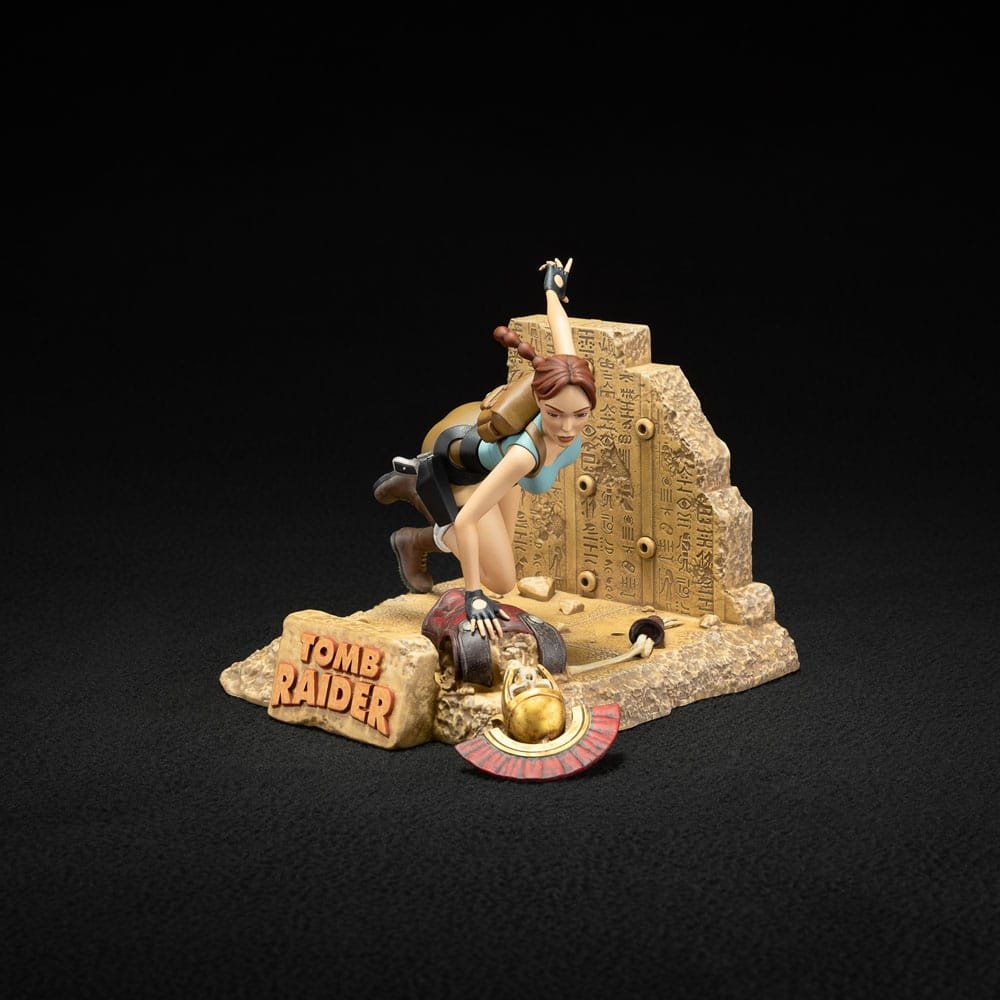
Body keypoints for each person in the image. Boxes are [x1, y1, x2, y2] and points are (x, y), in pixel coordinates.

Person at [373, 258, 596, 640]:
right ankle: (420, 484)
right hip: (457, 459)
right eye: (554, 415)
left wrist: (552, 288)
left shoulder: (569, 377)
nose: (567, 428)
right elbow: (467, 522)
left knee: (497, 551)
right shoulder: (524, 454)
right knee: (500, 580)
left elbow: (562, 331)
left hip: (495, 467)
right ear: (540, 403)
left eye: (580, 415)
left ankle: (413, 540)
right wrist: (474, 595)